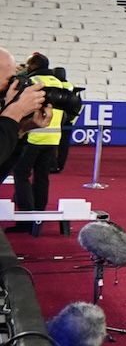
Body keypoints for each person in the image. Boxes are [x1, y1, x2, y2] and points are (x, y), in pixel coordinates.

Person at [12, 55, 67, 229]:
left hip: (34, 135)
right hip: (53, 137)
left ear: (34, 65)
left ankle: (26, 220)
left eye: (28, 64)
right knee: (42, 178)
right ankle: (39, 215)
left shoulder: (33, 81)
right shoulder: (58, 82)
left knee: (21, 174)